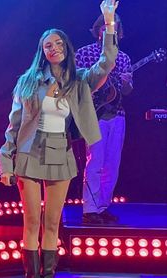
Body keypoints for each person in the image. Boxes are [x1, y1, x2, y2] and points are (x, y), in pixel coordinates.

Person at [0, 0, 118, 278]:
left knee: (52, 225)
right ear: (42, 51)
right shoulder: (27, 82)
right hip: (29, 154)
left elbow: (106, 62)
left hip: (60, 153)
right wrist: (5, 162)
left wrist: (108, 23)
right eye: (48, 45)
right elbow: (13, 126)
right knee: (32, 223)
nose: (54, 47)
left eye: (59, 42)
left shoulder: (79, 80)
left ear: (66, 47)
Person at [75, 12, 133, 226]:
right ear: (98, 29)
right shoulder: (84, 53)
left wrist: (126, 82)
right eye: (107, 26)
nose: (111, 30)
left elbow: (127, 91)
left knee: (112, 164)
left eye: (115, 26)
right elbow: (77, 83)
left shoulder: (124, 58)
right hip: (94, 114)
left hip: (117, 115)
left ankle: (102, 206)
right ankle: (89, 209)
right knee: (95, 162)